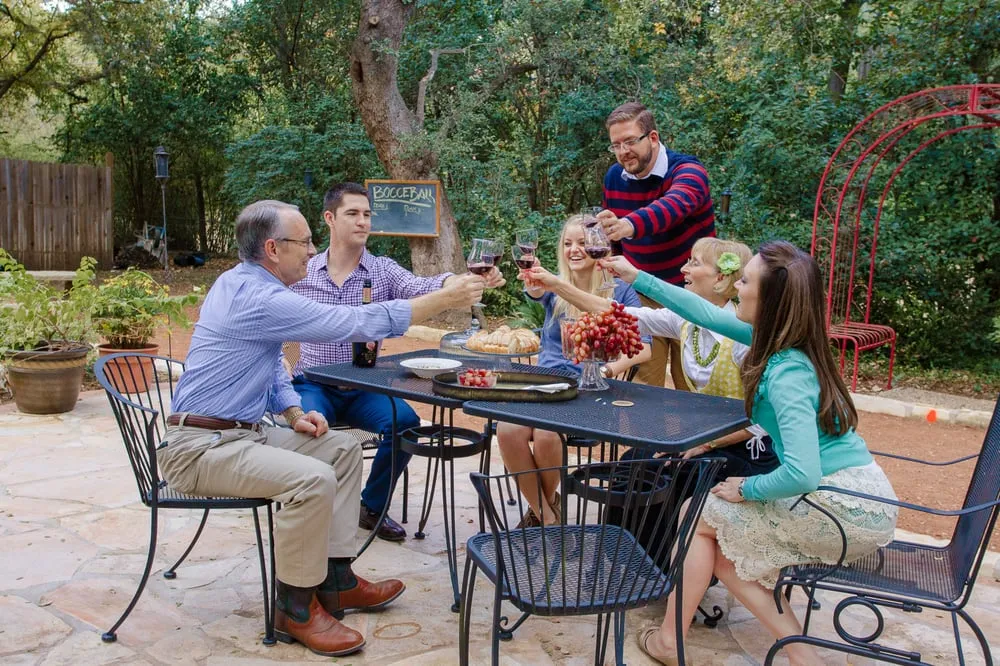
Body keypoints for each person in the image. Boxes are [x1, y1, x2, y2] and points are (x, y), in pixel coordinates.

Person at [157, 200, 485, 658]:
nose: (312, 252)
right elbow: (351, 324)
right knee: (312, 480)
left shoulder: (245, 283)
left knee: (341, 451)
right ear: (273, 248)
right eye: (305, 243)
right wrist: (445, 300)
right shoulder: (258, 295)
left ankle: (336, 580)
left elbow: (270, 359)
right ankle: (294, 608)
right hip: (200, 447)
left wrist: (292, 412)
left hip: (240, 434)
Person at [600, 242, 898, 666]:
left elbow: (802, 473)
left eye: (744, 280)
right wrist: (635, 276)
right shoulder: (776, 341)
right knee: (718, 540)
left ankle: (670, 641)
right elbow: (700, 312)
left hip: (846, 505)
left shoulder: (786, 373)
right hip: (854, 493)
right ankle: (802, 658)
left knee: (698, 515)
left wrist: (748, 488)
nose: (735, 287)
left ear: (770, 299)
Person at [289, 182, 504, 542]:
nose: (363, 222)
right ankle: (316, 510)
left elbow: (427, 285)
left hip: (365, 385)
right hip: (313, 383)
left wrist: (463, 280)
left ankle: (370, 506)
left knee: (406, 422)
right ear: (329, 218)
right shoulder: (303, 272)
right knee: (310, 431)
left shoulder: (382, 271)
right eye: (352, 214)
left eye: (367, 215)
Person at [528, 237, 778, 487]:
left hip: (748, 451)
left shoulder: (744, 338)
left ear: (720, 279)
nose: (683, 269)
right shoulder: (683, 321)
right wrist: (555, 284)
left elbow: (768, 419)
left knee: (676, 476)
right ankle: (621, 528)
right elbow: (613, 313)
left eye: (694, 262)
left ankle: (671, 526)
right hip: (703, 440)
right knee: (631, 465)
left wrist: (705, 443)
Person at [497, 214, 651, 526]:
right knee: (507, 430)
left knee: (545, 435)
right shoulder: (554, 285)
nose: (574, 249)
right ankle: (547, 513)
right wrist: (532, 275)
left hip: (587, 389)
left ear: (599, 247)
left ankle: (541, 515)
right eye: (568, 243)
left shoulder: (619, 291)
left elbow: (644, 348)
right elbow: (537, 291)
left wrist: (607, 370)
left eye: (582, 242)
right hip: (543, 382)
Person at [597, 101, 716, 391]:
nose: (624, 151)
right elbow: (612, 240)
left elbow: (673, 206)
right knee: (643, 386)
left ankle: (701, 438)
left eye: (630, 141)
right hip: (643, 294)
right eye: (616, 145)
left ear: (652, 138)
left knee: (692, 383)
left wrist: (629, 225)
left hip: (691, 294)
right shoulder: (614, 177)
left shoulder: (688, 171)